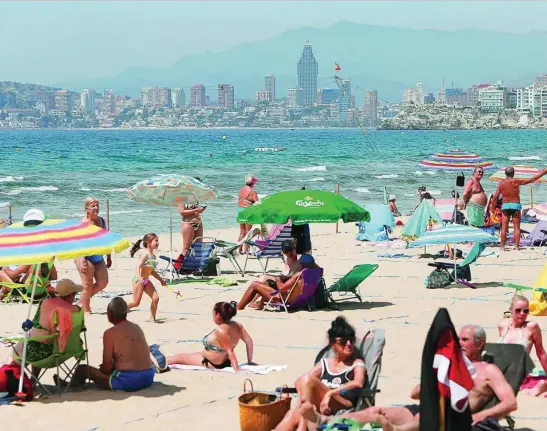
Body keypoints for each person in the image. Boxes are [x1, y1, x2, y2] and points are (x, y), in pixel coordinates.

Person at [298, 325, 517, 431]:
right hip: (424, 408)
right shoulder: (450, 365)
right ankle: (326, 423)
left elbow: (510, 402)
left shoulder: (489, 371)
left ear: (479, 344)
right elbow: (414, 394)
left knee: (424, 421)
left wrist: (483, 415)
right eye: (458, 339)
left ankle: (393, 430)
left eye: (465, 340)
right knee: (376, 411)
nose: (459, 343)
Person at [275, 317, 366, 431]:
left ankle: (303, 426)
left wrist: (330, 393)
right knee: (292, 414)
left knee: (309, 381)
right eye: (343, 342)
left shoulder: (356, 363)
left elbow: (359, 383)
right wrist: (303, 400)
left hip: (342, 403)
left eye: (351, 340)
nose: (348, 344)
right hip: (319, 405)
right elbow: (300, 381)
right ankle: (303, 416)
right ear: (333, 344)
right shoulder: (326, 363)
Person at [62, 297, 155, 392]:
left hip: (129, 381)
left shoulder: (110, 333)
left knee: (82, 369)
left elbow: (107, 367)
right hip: (148, 376)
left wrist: (102, 370)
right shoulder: (136, 327)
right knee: (113, 367)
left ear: (110, 314)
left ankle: (73, 386)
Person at [150, 301, 254, 371]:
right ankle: (152, 361)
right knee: (181, 356)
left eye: (213, 312)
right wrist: (250, 361)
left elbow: (230, 351)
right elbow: (249, 342)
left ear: (218, 315)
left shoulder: (221, 330)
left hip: (213, 363)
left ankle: (151, 364)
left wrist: (237, 369)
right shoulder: (237, 325)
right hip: (220, 360)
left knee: (178, 358)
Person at [14, 279, 81, 374]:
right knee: (38, 341)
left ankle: (15, 377)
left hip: (39, 353)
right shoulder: (77, 310)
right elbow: (78, 331)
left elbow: (36, 324)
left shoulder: (45, 302)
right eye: (75, 294)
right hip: (61, 352)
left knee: (26, 344)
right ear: (70, 295)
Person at [498, 295, 547, 396]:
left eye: (525, 311)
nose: (522, 314)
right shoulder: (502, 325)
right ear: (510, 310)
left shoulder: (531, 327)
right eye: (518, 310)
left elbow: (541, 352)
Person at [491, 166, 547, 250]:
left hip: (505, 205)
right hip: (515, 205)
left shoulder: (501, 183)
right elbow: (532, 180)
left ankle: (502, 247)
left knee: (504, 227)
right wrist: (543, 173)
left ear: (505, 174)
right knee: (516, 228)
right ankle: (517, 247)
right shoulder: (517, 181)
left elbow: (495, 197)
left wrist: (492, 208)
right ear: (513, 173)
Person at [237, 254, 318, 310]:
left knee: (255, 284)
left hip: (285, 300)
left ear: (302, 265)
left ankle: (239, 307)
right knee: (265, 284)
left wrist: (278, 278)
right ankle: (259, 305)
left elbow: (282, 288)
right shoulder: (316, 273)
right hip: (299, 300)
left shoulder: (298, 275)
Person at [75, 198, 112, 313]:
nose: (96, 208)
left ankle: (81, 302)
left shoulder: (101, 221)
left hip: (98, 256)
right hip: (84, 256)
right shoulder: (83, 224)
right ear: (87, 209)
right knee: (87, 284)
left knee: (103, 282)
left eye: (97, 205)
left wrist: (108, 255)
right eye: (93, 206)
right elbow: (78, 244)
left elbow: (106, 239)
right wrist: (82, 260)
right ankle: (86, 311)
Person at [127, 233, 166, 322]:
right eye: (156, 241)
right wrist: (138, 277)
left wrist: (161, 280)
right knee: (136, 303)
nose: (157, 243)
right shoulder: (145, 254)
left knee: (156, 298)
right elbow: (138, 266)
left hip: (146, 281)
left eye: (158, 241)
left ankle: (152, 319)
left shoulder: (153, 256)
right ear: (149, 243)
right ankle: (120, 311)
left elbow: (151, 271)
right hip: (139, 280)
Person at [178, 177, 206, 259]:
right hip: (188, 223)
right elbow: (182, 212)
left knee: (198, 247)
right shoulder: (182, 196)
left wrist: (200, 210)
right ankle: (178, 266)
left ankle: (195, 266)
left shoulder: (196, 196)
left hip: (198, 222)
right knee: (186, 248)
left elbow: (196, 210)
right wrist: (196, 210)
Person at [237, 175, 259, 254]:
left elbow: (239, 201)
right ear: (252, 183)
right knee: (248, 232)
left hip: (240, 211)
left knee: (242, 231)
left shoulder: (241, 190)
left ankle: (239, 249)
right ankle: (246, 251)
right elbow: (257, 204)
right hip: (248, 211)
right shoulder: (253, 192)